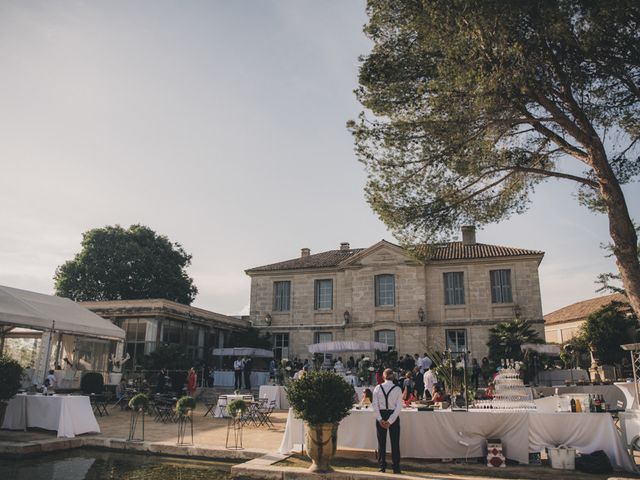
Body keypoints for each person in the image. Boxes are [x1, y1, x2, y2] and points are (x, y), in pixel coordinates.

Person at [372, 368, 402, 474]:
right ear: (392, 377)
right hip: (393, 415)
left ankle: (382, 467)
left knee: (381, 443)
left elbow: (375, 405)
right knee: (395, 442)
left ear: (383, 376)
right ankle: (396, 467)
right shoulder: (397, 389)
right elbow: (399, 407)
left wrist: (380, 419)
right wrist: (390, 420)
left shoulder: (377, 388)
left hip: (381, 414)